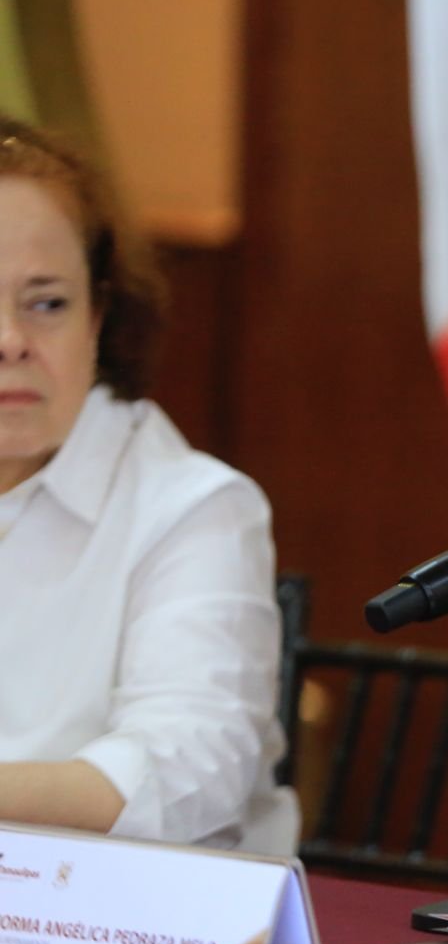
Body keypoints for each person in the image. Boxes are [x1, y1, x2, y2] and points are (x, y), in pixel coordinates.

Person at [0, 115, 295, 854]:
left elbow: (188, 771)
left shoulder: (196, 508)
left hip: (134, 916)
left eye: (46, 303)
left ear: (98, 315)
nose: (10, 340)